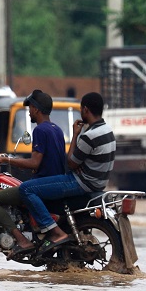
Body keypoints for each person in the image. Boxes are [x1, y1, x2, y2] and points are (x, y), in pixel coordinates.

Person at [18, 92, 116, 252]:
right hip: (98, 183)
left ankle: (54, 232)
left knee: (26, 189)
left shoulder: (89, 136)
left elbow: (70, 163)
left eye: (80, 110)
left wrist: (76, 134)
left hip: (81, 183)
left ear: (85, 110)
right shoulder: (108, 131)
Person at [0, 89, 67, 254]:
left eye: (30, 109)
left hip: (42, 186)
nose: (29, 113)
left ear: (36, 109)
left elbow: (35, 162)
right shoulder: (57, 129)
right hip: (53, 183)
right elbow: (44, 162)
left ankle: (21, 240)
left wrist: (5, 159)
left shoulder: (40, 130)